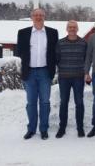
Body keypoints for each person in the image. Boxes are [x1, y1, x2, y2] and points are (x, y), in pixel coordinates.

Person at [16, 9, 58, 140]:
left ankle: (44, 129)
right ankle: (31, 129)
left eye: (41, 15)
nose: (38, 17)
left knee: (45, 102)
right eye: (36, 15)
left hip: (45, 72)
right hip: (30, 72)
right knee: (31, 102)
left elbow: (54, 52)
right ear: (31, 17)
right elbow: (19, 51)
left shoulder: (52, 32)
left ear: (44, 17)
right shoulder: (23, 33)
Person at [55, 20, 87, 138]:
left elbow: (86, 59)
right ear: (67, 29)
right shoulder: (60, 43)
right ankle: (62, 128)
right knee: (64, 103)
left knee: (79, 102)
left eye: (74, 27)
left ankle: (80, 128)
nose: (72, 29)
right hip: (64, 77)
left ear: (77, 29)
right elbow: (57, 59)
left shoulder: (83, 43)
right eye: (70, 27)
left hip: (78, 77)